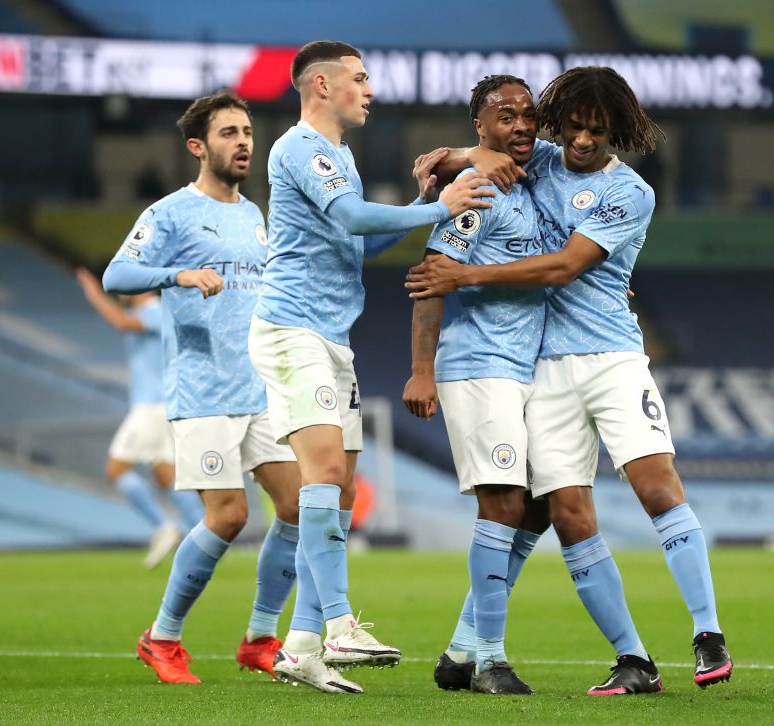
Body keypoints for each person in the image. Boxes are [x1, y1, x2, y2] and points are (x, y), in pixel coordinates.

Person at [407, 66, 733, 693]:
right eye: (576, 128)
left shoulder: (630, 192)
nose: (583, 141)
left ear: (620, 133)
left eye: (599, 132)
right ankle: (633, 661)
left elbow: (563, 267)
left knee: (655, 481)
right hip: (544, 370)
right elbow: (483, 148)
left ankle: (707, 633)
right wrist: (452, 155)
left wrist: (465, 278)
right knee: (563, 510)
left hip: (611, 357)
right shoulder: (542, 160)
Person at [248, 40, 494, 694]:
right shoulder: (300, 147)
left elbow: (361, 239)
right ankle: (337, 623)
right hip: (292, 330)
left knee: (343, 487)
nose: (370, 89)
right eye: (359, 79)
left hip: (332, 336)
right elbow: (352, 215)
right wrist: (438, 208)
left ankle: (300, 648)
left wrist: (420, 201)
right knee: (322, 474)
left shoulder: (342, 160)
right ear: (321, 85)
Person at [102, 90, 305, 686]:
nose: (243, 142)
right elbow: (117, 275)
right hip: (202, 390)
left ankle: (260, 638)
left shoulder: (253, 214)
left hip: (260, 389)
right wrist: (177, 274)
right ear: (198, 146)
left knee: (297, 507)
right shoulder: (170, 213)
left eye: (247, 131)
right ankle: (161, 637)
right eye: (228, 133)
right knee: (229, 517)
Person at [401, 75, 546, 695]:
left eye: (527, 116)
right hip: (480, 365)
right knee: (504, 504)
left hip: (530, 369)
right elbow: (434, 277)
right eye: (504, 117)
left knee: (539, 506)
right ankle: (491, 659)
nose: (519, 126)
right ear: (481, 127)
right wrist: (422, 370)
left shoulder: (538, 181)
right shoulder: (478, 189)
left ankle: (462, 650)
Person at [75, 269, 203, 568]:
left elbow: (122, 322)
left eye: (124, 284)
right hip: (161, 407)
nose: (119, 289)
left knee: (116, 469)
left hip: (151, 408)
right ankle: (203, 535)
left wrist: (94, 293)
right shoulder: (157, 312)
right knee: (166, 478)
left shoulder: (156, 311)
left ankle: (165, 526)